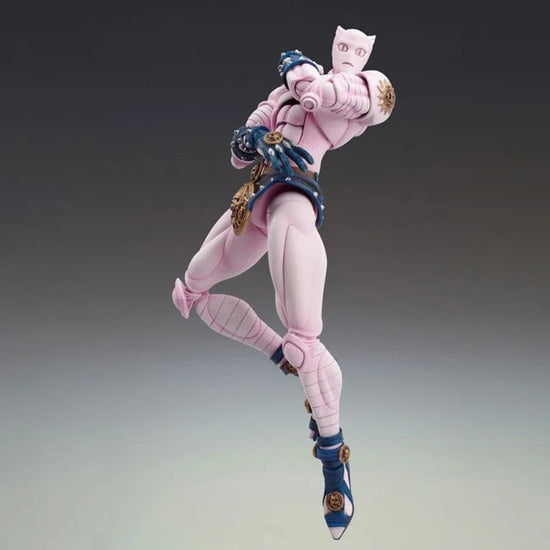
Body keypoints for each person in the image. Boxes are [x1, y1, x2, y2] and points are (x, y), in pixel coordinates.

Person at [172, 25, 395, 539]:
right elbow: (239, 147)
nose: (350, 54)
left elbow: (361, 100)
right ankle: (281, 355)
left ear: (366, 54)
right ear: (333, 43)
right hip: (254, 196)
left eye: (358, 50)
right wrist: (254, 137)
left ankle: (334, 462)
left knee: (304, 331)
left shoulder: (357, 89)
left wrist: (308, 80)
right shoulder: (280, 95)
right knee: (193, 286)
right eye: (344, 46)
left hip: (295, 197)